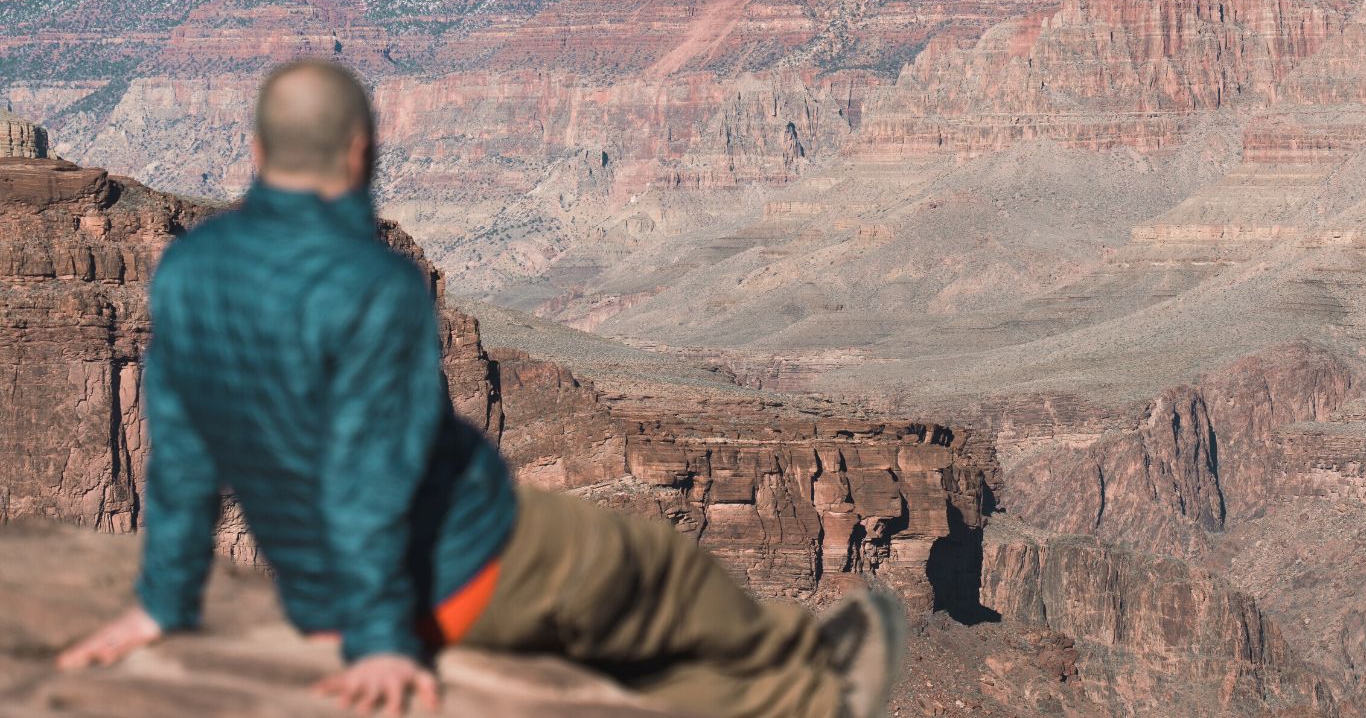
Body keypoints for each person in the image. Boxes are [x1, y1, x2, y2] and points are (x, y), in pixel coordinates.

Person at [55, 60, 904, 717]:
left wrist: (162, 601)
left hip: (321, 582)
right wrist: (384, 636)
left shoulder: (194, 270)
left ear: (256, 154)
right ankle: (818, 693)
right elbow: (369, 468)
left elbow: (182, 445)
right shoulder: (372, 281)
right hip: (463, 563)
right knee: (658, 569)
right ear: (359, 153)